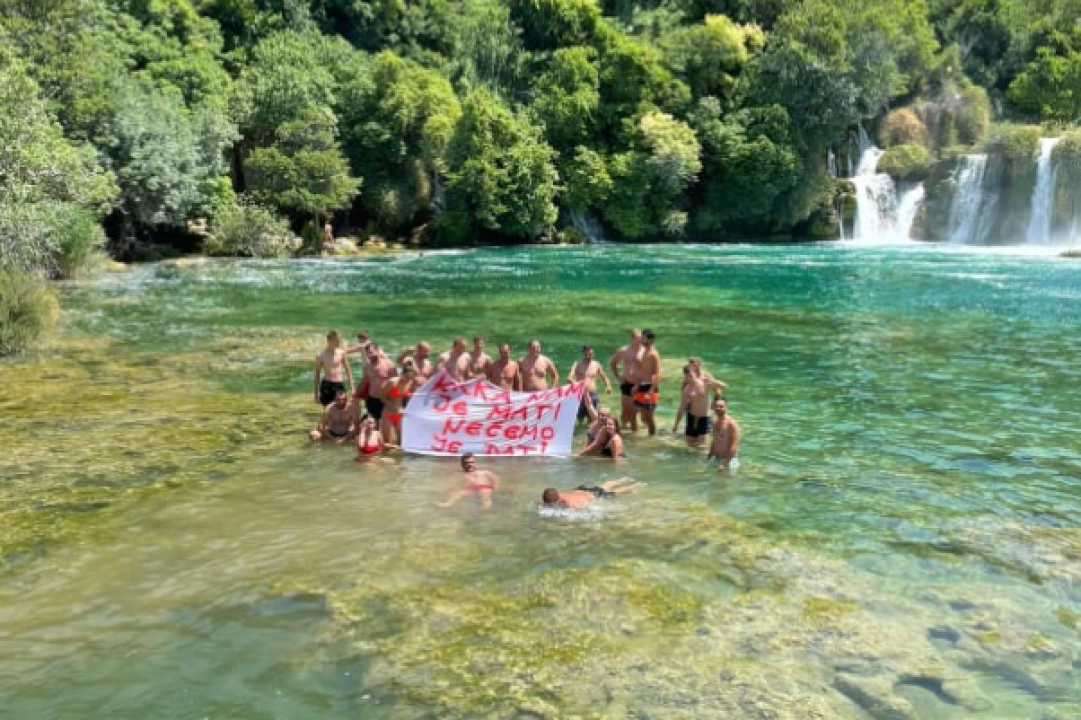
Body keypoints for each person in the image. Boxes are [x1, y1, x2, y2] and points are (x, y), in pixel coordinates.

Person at [672, 360, 728, 448]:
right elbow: (681, 408)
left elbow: (724, 386)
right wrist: (676, 424)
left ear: (694, 373)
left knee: (701, 447)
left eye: (691, 375)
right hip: (691, 418)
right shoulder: (686, 390)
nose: (690, 377)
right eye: (688, 376)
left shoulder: (704, 383)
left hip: (704, 418)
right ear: (685, 376)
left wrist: (712, 382)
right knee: (689, 446)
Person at [609, 329, 644, 432]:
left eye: (641, 338)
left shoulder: (645, 351)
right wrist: (618, 377)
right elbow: (613, 363)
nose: (640, 341)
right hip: (627, 383)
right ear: (632, 339)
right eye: (638, 338)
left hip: (641, 385)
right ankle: (624, 434)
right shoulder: (624, 351)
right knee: (625, 413)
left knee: (637, 412)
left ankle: (635, 435)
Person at [569, 345, 612, 423]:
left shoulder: (596, 364)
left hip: (593, 394)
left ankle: (589, 433)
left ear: (593, 354)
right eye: (587, 354)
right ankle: (579, 434)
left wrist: (608, 386)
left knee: (592, 418)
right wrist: (579, 386)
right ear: (583, 353)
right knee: (580, 418)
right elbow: (569, 378)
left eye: (591, 354)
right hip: (580, 395)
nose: (589, 356)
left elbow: (604, 377)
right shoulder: (577, 364)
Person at [540, 477, 642, 509]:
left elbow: (584, 509)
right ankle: (621, 480)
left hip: (593, 495)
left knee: (616, 493)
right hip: (582, 490)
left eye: (550, 504)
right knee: (602, 486)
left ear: (557, 500)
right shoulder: (557, 494)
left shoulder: (569, 504)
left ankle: (634, 486)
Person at [380, 361, 418, 445]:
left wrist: (411, 396)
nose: (408, 379)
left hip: (400, 413)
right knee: (388, 442)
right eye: (407, 376)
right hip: (388, 413)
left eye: (410, 377)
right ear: (402, 374)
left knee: (401, 442)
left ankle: (399, 458)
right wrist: (392, 407)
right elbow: (381, 396)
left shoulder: (409, 383)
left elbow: (404, 395)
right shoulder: (392, 382)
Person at [314, 330, 355, 406]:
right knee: (327, 411)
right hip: (326, 384)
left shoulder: (341, 353)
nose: (339, 342)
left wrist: (352, 388)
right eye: (336, 340)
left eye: (339, 340)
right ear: (329, 340)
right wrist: (316, 394)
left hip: (339, 384)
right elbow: (317, 375)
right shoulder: (321, 355)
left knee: (342, 409)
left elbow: (348, 370)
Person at [634, 329, 662, 435]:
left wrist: (650, 391)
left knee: (649, 417)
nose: (641, 339)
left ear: (650, 340)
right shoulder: (644, 351)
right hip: (642, 386)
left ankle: (652, 438)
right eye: (641, 337)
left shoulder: (654, 354)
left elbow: (658, 375)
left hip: (650, 388)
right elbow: (643, 371)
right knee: (642, 416)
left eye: (643, 338)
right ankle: (650, 433)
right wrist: (637, 385)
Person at [363, 343, 396, 422]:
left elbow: (396, 382)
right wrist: (356, 395)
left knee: (387, 423)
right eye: (367, 353)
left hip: (386, 400)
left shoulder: (389, 364)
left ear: (377, 351)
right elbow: (365, 382)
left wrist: (395, 399)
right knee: (373, 424)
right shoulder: (367, 367)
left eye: (371, 352)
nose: (369, 355)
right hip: (372, 399)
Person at [707, 398, 741, 472]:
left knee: (726, 482)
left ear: (726, 407)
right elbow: (714, 441)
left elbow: (734, 446)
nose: (718, 408)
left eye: (721, 406)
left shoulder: (731, 424)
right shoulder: (715, 422)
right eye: (716, 406)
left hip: (729, 461)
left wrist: (724, 464)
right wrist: (709, 456)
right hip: (716, 459)